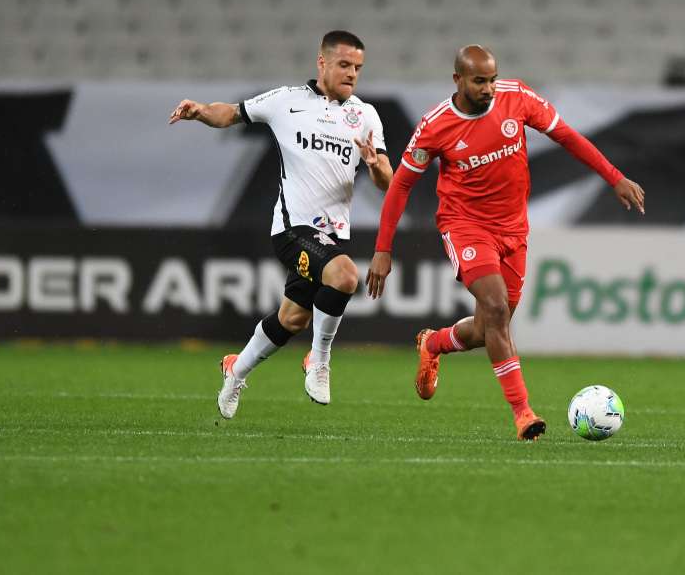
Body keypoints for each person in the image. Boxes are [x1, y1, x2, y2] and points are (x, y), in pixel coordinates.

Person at [365, 45, 645, 440]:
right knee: (495, 308)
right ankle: (523, 413)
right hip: (465, 226)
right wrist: (383, 248)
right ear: (458, 80)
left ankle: (435, 343)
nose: (489, 88)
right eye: (480, 81)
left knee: (488, 327)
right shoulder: (435, 125)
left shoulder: (517, 97)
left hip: (514, 230)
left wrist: (614, 177)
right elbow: (401, 186)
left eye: (492, 79)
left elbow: (568, 137)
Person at [168, 30, 393, 418]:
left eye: (358, 67)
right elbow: (234, 112)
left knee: (292, 317)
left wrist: (375, 166)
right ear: (321, 62)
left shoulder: (365, 115)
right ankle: (319, 362)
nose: (352, 73)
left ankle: (235, 371)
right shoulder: (286, 100)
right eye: (344, 65)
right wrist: (201, 111)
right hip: (291, 230)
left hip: (332, 235)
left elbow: (389, 180)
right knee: (344, 277)